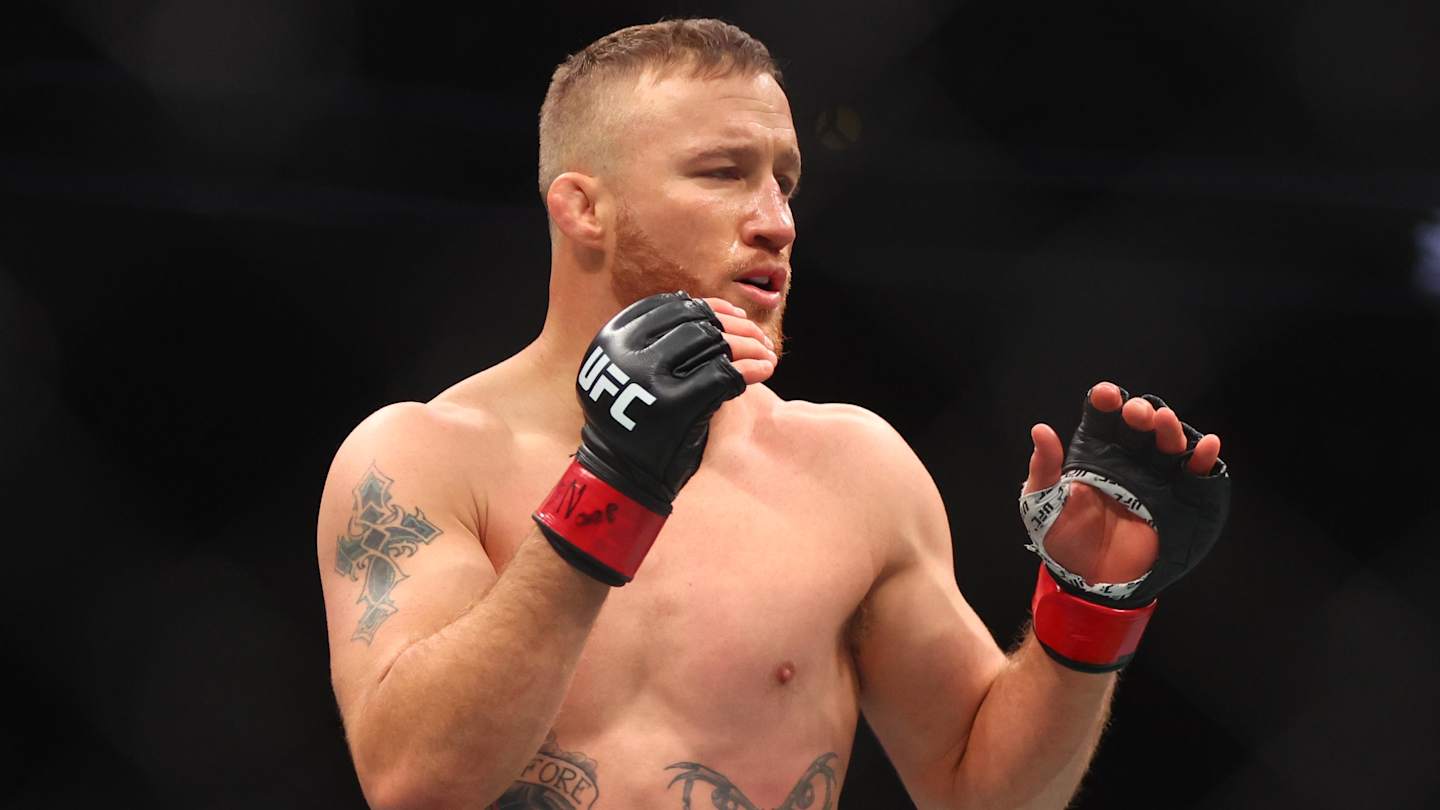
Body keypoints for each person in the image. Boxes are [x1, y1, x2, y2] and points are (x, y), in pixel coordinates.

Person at [316, 18, 1229, 810]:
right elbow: (413, 781)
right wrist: (613, 484)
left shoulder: (852, 469)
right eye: (723, 173)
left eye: (784, 182)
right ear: (584, 208)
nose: (776, 222)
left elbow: (982, 791)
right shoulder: (424, 457)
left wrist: (1087, 610)